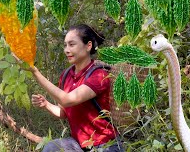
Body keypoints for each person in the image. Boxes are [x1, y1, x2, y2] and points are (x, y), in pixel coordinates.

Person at [29, 24, 124, 152]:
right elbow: (63, 112)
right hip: (79, 145)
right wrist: (46, 104)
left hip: (105, 145)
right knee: (52, 147)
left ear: (88, 46)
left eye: (72, 45)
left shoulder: (100, 75)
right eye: (65, 45)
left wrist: (36, 73)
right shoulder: (66, 75)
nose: (66, 50)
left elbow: (68, 100)